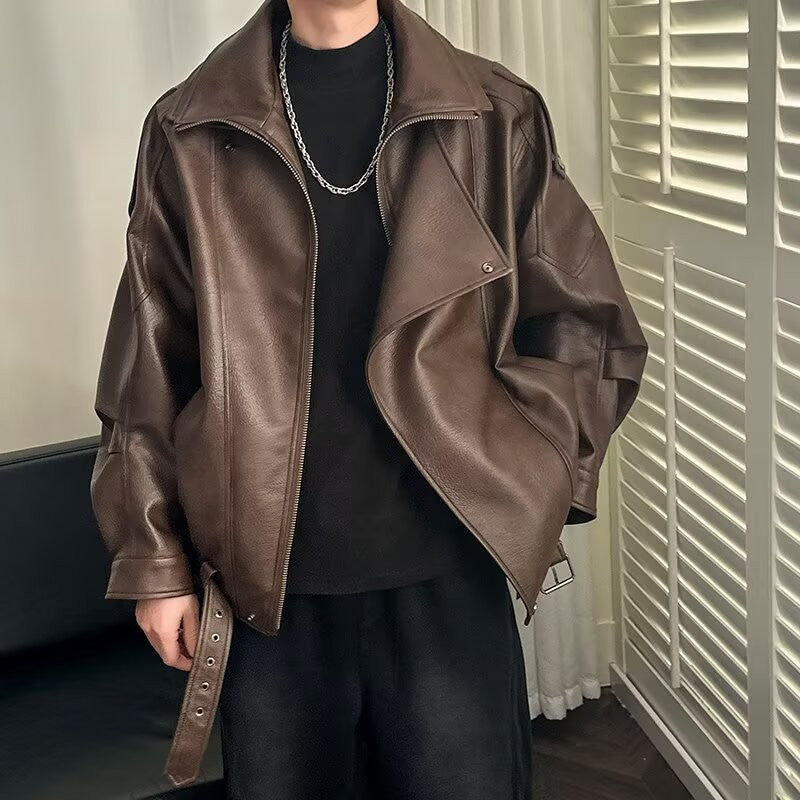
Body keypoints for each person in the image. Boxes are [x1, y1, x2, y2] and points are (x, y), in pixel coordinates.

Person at [90, 0, 648, 798]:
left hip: (447, 564)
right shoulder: (188, 127)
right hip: (265, 585)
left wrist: (531, 470)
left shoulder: (493, 112)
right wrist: (155, 563)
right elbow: (147, 366)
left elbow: (590, 329)